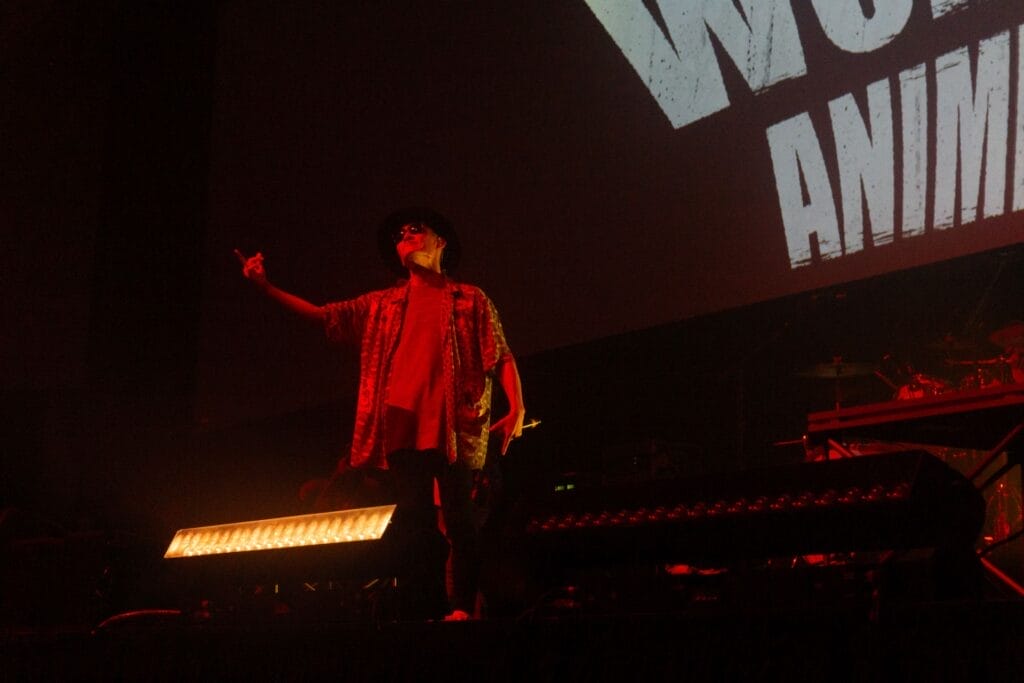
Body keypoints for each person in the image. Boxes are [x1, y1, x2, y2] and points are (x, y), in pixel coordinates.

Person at [235, 207, 525, 621]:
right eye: (400, 234)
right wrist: (265, 287)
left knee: (460, 521)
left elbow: (499, 353)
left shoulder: (469, 298)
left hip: (456, 425)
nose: (405, 235)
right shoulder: (383, 304)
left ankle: (462, 609)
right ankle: (422, 609)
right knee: (416, 522)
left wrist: (518, 405)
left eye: (415, 229)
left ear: (440, 241)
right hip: (402, 425)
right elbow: (325, 316)